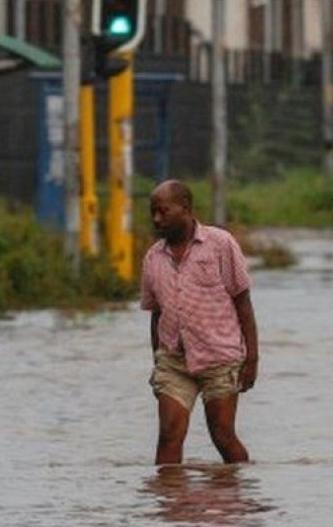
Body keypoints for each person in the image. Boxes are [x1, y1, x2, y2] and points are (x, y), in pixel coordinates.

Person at [140, 180, 259, 465]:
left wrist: (252, 358)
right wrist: (157, 361)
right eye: (153, 213)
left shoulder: (220, 244)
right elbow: (156, 314)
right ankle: (169, 504)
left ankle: (239, 496)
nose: (157, 219)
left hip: (220, 357)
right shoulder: (153, 258)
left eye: (164, 212)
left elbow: (243, 302)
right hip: (174, 361)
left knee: (222, 435)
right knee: (168, 435)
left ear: (186, 209)